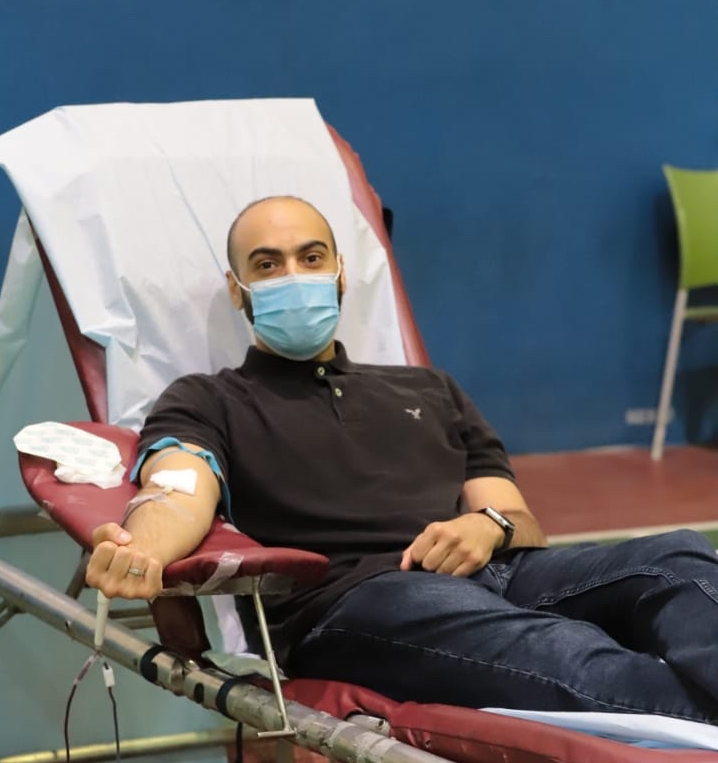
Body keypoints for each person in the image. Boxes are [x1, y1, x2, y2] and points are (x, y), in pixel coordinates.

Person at [86, 195, 718, 723]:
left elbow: (521, 523)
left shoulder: (430, 389)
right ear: (238, 288)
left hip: (497, 573)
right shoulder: (209, 399)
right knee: (561, 648)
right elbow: (176, 493)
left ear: (340, 272)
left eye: (311, 257)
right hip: (354, 602)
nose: (294, 276)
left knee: (677, 558)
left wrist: (487, 527)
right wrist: (142, 550)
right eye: (268, 264)